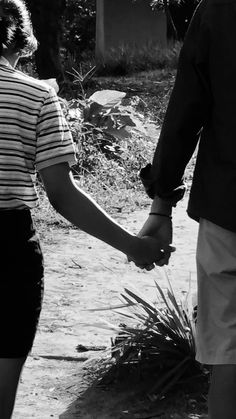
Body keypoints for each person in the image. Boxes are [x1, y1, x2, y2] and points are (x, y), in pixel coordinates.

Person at [0, 1, 171, 418]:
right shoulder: (36, 96)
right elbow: (62, 194)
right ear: (23, 43)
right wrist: (133, 245)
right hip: (5, 254)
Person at [138, 0, 236, 418]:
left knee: (230, 349)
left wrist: (162, 206)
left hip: (229, 208)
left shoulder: (219, 9)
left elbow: (186, 109)